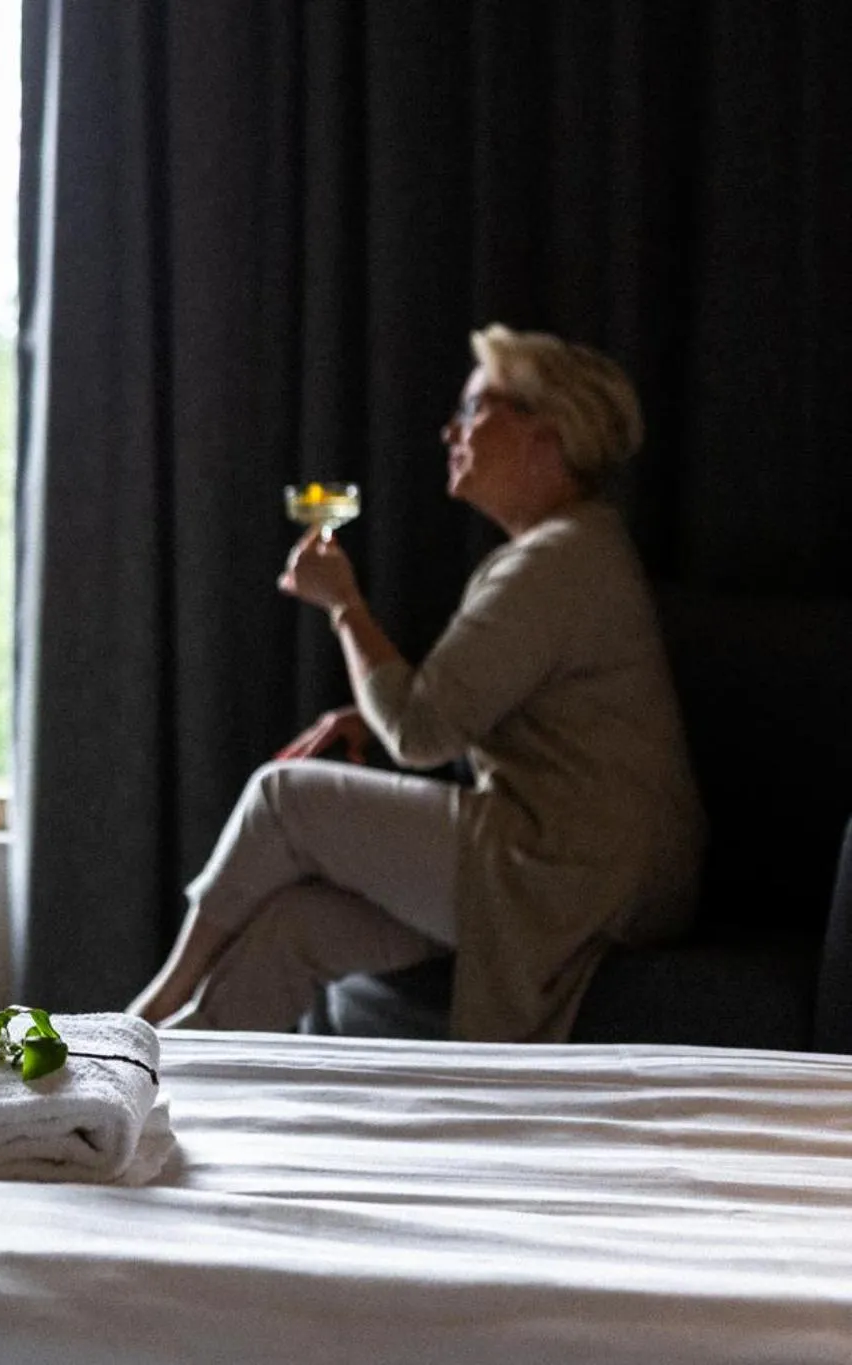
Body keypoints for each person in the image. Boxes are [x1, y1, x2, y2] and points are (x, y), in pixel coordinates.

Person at [127, 324, 704, 1043]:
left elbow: (421, 733)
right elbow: (472, 707)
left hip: (567, 862)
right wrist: (369, 708)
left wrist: (344, 605)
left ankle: (143, 1016)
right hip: (600, 862)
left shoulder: (554, 564)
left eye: (474, 409)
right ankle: (170, 1068)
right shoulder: (577, 548)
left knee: (282, 799)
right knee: (296, 927)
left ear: (546, 433)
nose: (449, 430)